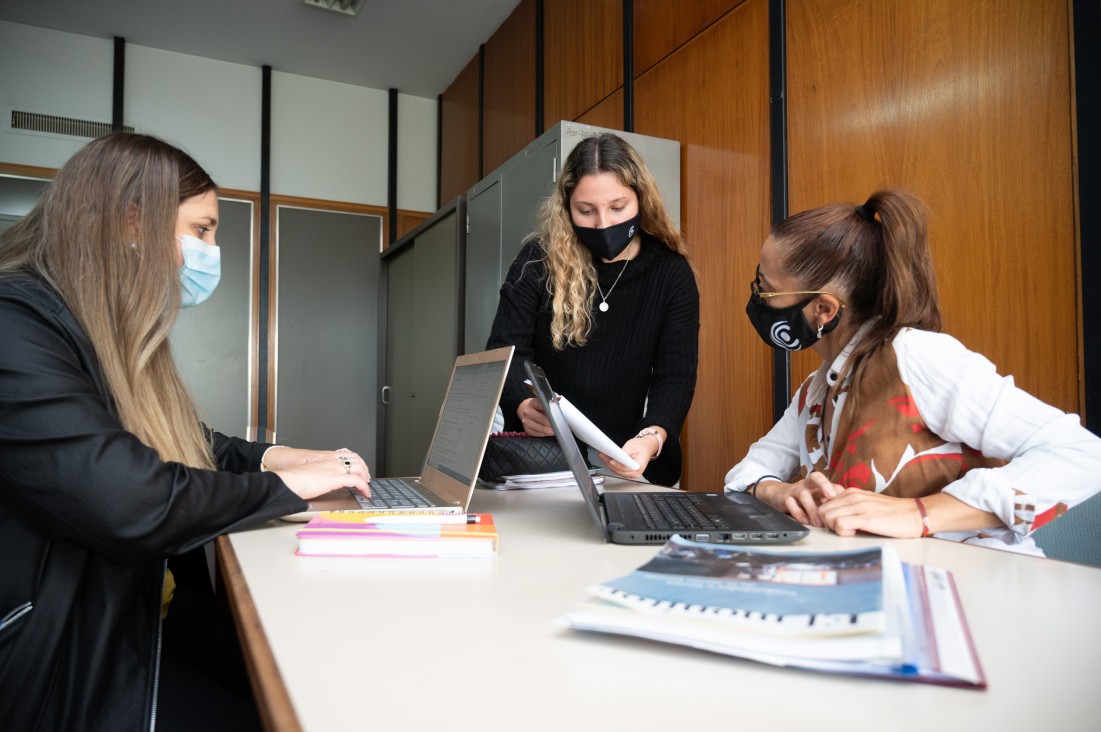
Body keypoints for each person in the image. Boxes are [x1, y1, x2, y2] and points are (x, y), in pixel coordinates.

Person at [0, 133, 373, 731]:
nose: (211, 251)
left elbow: (189, 441)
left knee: (320, 674)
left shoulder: (102, 330)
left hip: (135, 608)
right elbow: (130, 498)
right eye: (201, 230)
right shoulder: (15, 322)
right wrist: (286, 490)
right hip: (62, 660)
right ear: (130, 222)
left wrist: (281, 457)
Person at [725, 188, 1101, 553]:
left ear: (824, 310)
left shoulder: (917, 357)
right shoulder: (817, 389)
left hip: (984, 588)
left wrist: (919, 513)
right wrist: (779, 491)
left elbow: (1082, 454)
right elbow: (746, 473)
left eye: (767, 289)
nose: (757, 298)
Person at [486, 133, 699, 486]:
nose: (603, 223)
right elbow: (505, 349)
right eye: (586, 211)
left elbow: (675, 374)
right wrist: (523, 405)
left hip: (626, 461)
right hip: (540, 460)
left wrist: (653, 436)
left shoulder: (670, 273)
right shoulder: (538, 260)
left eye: (618, 207)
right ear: (566, 208)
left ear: (641, 200)